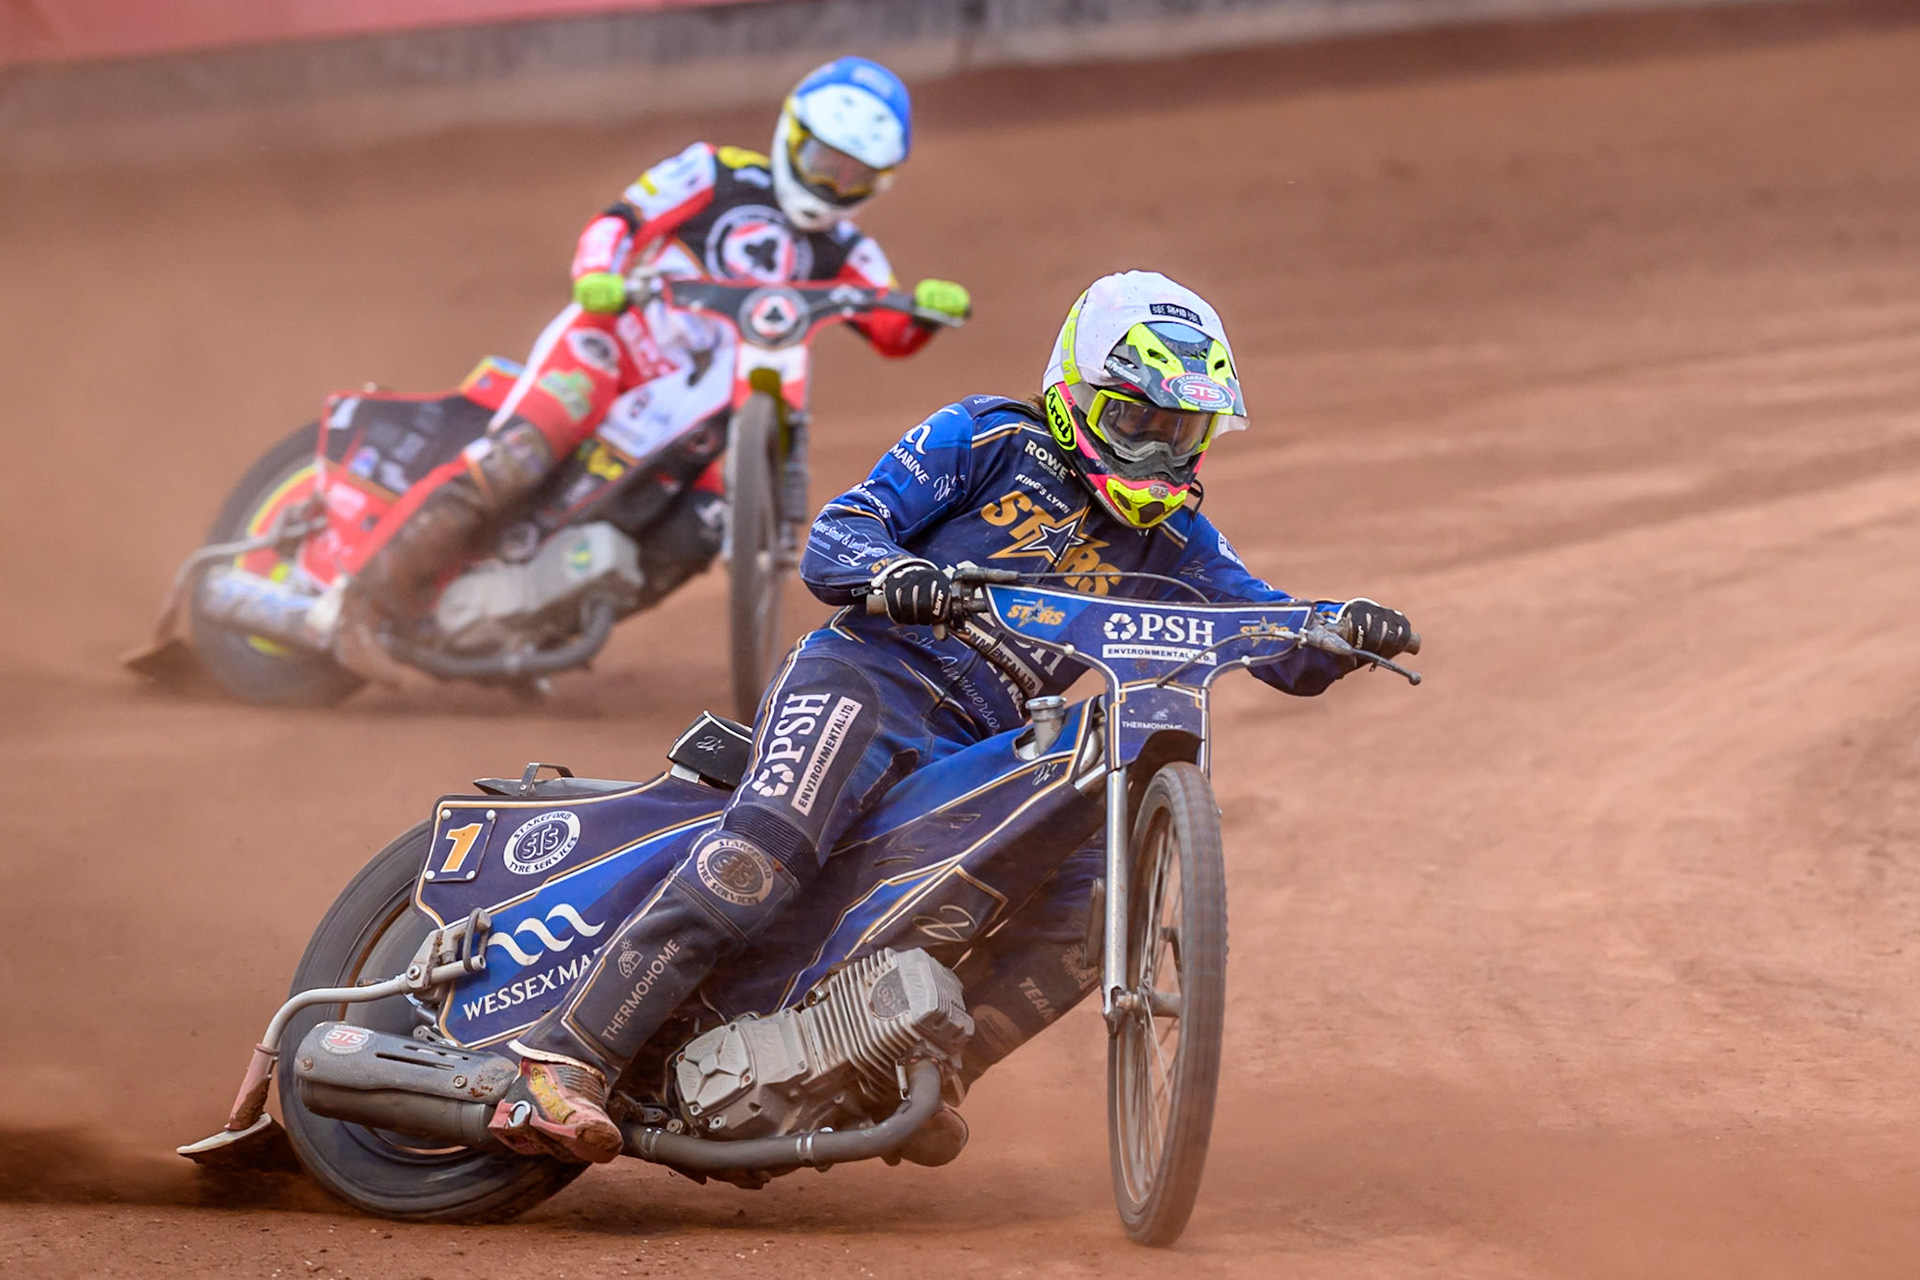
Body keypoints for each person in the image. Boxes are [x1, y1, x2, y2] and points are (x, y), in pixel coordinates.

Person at [486, 270, 1417, 1164]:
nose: (1160, 452)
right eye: (1139, 421)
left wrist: (1338, 629)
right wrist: (898, 575)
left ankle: (917, 1074)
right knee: (765, 851)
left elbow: (1267, 634)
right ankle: (567, 1057)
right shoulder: (984, 439)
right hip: (868, 676)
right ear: (1079, 396)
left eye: (1184, 430)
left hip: (984, 745)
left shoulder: (1176, 539)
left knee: (1096, 900)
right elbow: (838, 534)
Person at [332, 55, 970, 681]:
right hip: (611, 349)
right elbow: (620, 220)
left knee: (702, 528)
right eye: (823, 161)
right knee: (518, 456)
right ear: (791, 137)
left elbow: (890, 327)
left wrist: (925, 313)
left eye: (852, 174)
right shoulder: (712, 171)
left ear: (878, 182)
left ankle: (522, 633)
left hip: (698, 412)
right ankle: (357, 605)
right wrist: (598, 277)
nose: (831, 181)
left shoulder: (850, 250)